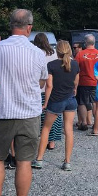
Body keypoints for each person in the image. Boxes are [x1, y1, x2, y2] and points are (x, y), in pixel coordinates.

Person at [0, 9, 48, 196]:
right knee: (24, 161)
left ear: (11, 25)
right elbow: (42, 80)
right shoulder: (38, 53)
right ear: (29, 27)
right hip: (29, 112)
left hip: (3, 111)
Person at [33, 41, 79, 171]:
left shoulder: (51, 65)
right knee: (68, 130)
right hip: (70, 99)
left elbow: (49, 85)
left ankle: (39, 159)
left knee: (46, 128)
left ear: (57, 51)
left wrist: (46, 102)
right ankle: (67, 162)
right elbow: (76, 83)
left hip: (56, 100)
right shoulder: (75, 64)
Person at [33, 32, 63, 152]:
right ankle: (51, 142)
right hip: (53, 88)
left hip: (38, 88)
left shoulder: (34, 53)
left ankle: (39, 139)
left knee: (38, 116)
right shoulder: (54, 53)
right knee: (53, 116)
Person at [75, 34, 98, 131]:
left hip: (83, 82)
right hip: (97, 82)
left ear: (85, 42)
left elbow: (75, 68)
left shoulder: (80, 54)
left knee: (82, 102)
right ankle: (96, 123)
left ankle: (84, 122)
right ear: (94, 42)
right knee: (95, 102)